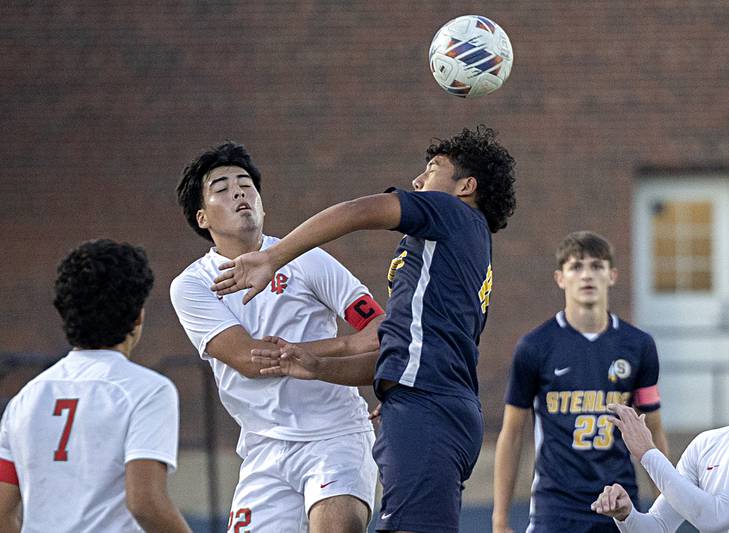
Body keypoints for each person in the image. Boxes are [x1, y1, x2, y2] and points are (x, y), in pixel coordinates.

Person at [210, 125, 517, 533]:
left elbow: (357, 210)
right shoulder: (456, 249)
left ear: (466, 187)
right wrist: (316, 365)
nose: (418, 180)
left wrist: (274, 256)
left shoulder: (451, 213)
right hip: (434, 405)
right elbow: (392, 354)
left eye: (432, 169)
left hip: (427, 410)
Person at [170, 141, 384, 533]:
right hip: (263, 448)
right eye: (221, 187)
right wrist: (345, 345)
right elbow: (252, 361)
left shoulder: (307, 258)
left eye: (246, 184)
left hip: (334, 435)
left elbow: (379, 330)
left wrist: (343, 351)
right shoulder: (192, 286)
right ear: (202, 218)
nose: (238, 191)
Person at [0, 239, 190, 533]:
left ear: (64, 312)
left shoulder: (25, 399)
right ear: (138, 314)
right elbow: (144, 503)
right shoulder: (149, 390)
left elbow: (2, 512)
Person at [492, 231, 669, 533]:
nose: (587, 275)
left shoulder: (639, 345)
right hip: (556, 506)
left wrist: (667, 510)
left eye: (597, 266)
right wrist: (499, 520)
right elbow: (511, 433)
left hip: (619, 501)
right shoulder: (534, 346)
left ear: (612, 275)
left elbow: (652, 428)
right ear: (560, 278)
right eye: (576, 267)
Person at [592, 315, 729, 532]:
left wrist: (647, 452)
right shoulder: (708, 443)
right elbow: (657, 527)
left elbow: (716, 516)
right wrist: (627, 515)